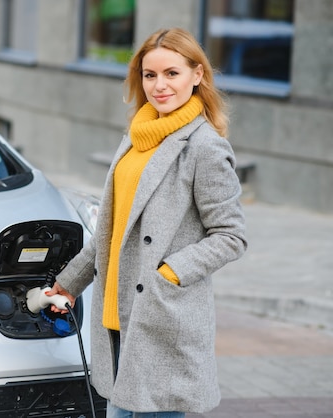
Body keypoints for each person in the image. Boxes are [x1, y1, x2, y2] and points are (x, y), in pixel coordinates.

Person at [46, 27, 247, 417]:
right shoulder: (136, 136)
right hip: (118, 313)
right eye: (149, 74)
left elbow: (231, 235)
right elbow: (113, 228)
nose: (159, 85)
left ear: (197, 75)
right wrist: (71, 282)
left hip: (160, 315)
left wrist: (169, 273)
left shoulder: (204, 147)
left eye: (172, 73)